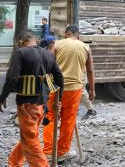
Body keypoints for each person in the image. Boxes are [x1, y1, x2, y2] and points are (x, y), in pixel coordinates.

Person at [0, 29, 64, 167]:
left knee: (31, 140)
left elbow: (12, 78)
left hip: (27, 105)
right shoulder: (48, 55)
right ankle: (14, 162)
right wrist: (58, 100)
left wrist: (2, 98)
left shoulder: (21, 53)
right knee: (28, 137)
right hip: (41, 106)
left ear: (21, 42)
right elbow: (59, 79)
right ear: (36, 40)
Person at [43, 25, 96, 161]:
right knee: (68, 119)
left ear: (67, 34)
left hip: (55, 87)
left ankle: (48, 151)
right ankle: (62, 152)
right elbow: (90, 71)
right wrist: (92, 90)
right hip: (74, 89)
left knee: (50, 117)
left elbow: (48, 67)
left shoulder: (57, 44)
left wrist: (46, 88)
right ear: (77, 35)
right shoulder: (85, 47)